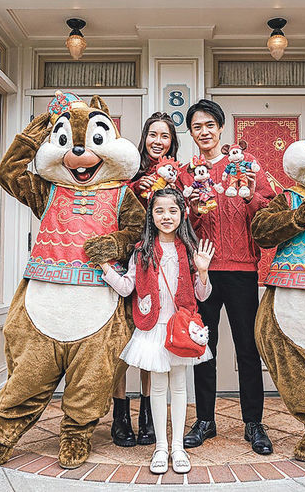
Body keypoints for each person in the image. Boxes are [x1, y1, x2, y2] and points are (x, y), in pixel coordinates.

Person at [176, 99, 274, 455]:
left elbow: (269, 210)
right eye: (197, 127)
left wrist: (249, 195)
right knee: (204, 347)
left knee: (248, 348)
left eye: (209, 126)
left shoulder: (245, 165)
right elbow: (176, 222)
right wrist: (192, 211)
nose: (204, 132)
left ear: (220, 128)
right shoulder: (186, 173)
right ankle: (205, 420)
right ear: (191, 133)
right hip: (202, 270)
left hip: (242, 269)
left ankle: (254, 422)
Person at [100, 188, 215, 475]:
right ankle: (160, 447)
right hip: (152, 328)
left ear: (182, 214)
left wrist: (203, 271)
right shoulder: (142, 251)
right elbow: (127, 287)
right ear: (151, 215)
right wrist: (104, 266)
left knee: (180, 387)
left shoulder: (189, 249)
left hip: (180, 329)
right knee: (159, 388)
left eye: (173, 211)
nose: (166, 216)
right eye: (159, 210)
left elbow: (202, 295)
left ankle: (178, 447)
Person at [110, 112, 180, 447]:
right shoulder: (127, 173)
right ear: (144, 138)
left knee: (150, 337)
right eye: (153, 134)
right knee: (122, 340)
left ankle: (147, 415)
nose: (158, 141)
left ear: (172, 142)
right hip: (128, 260)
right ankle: (120, 414)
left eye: (165, 136)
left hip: (159, 262)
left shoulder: (177, 176)